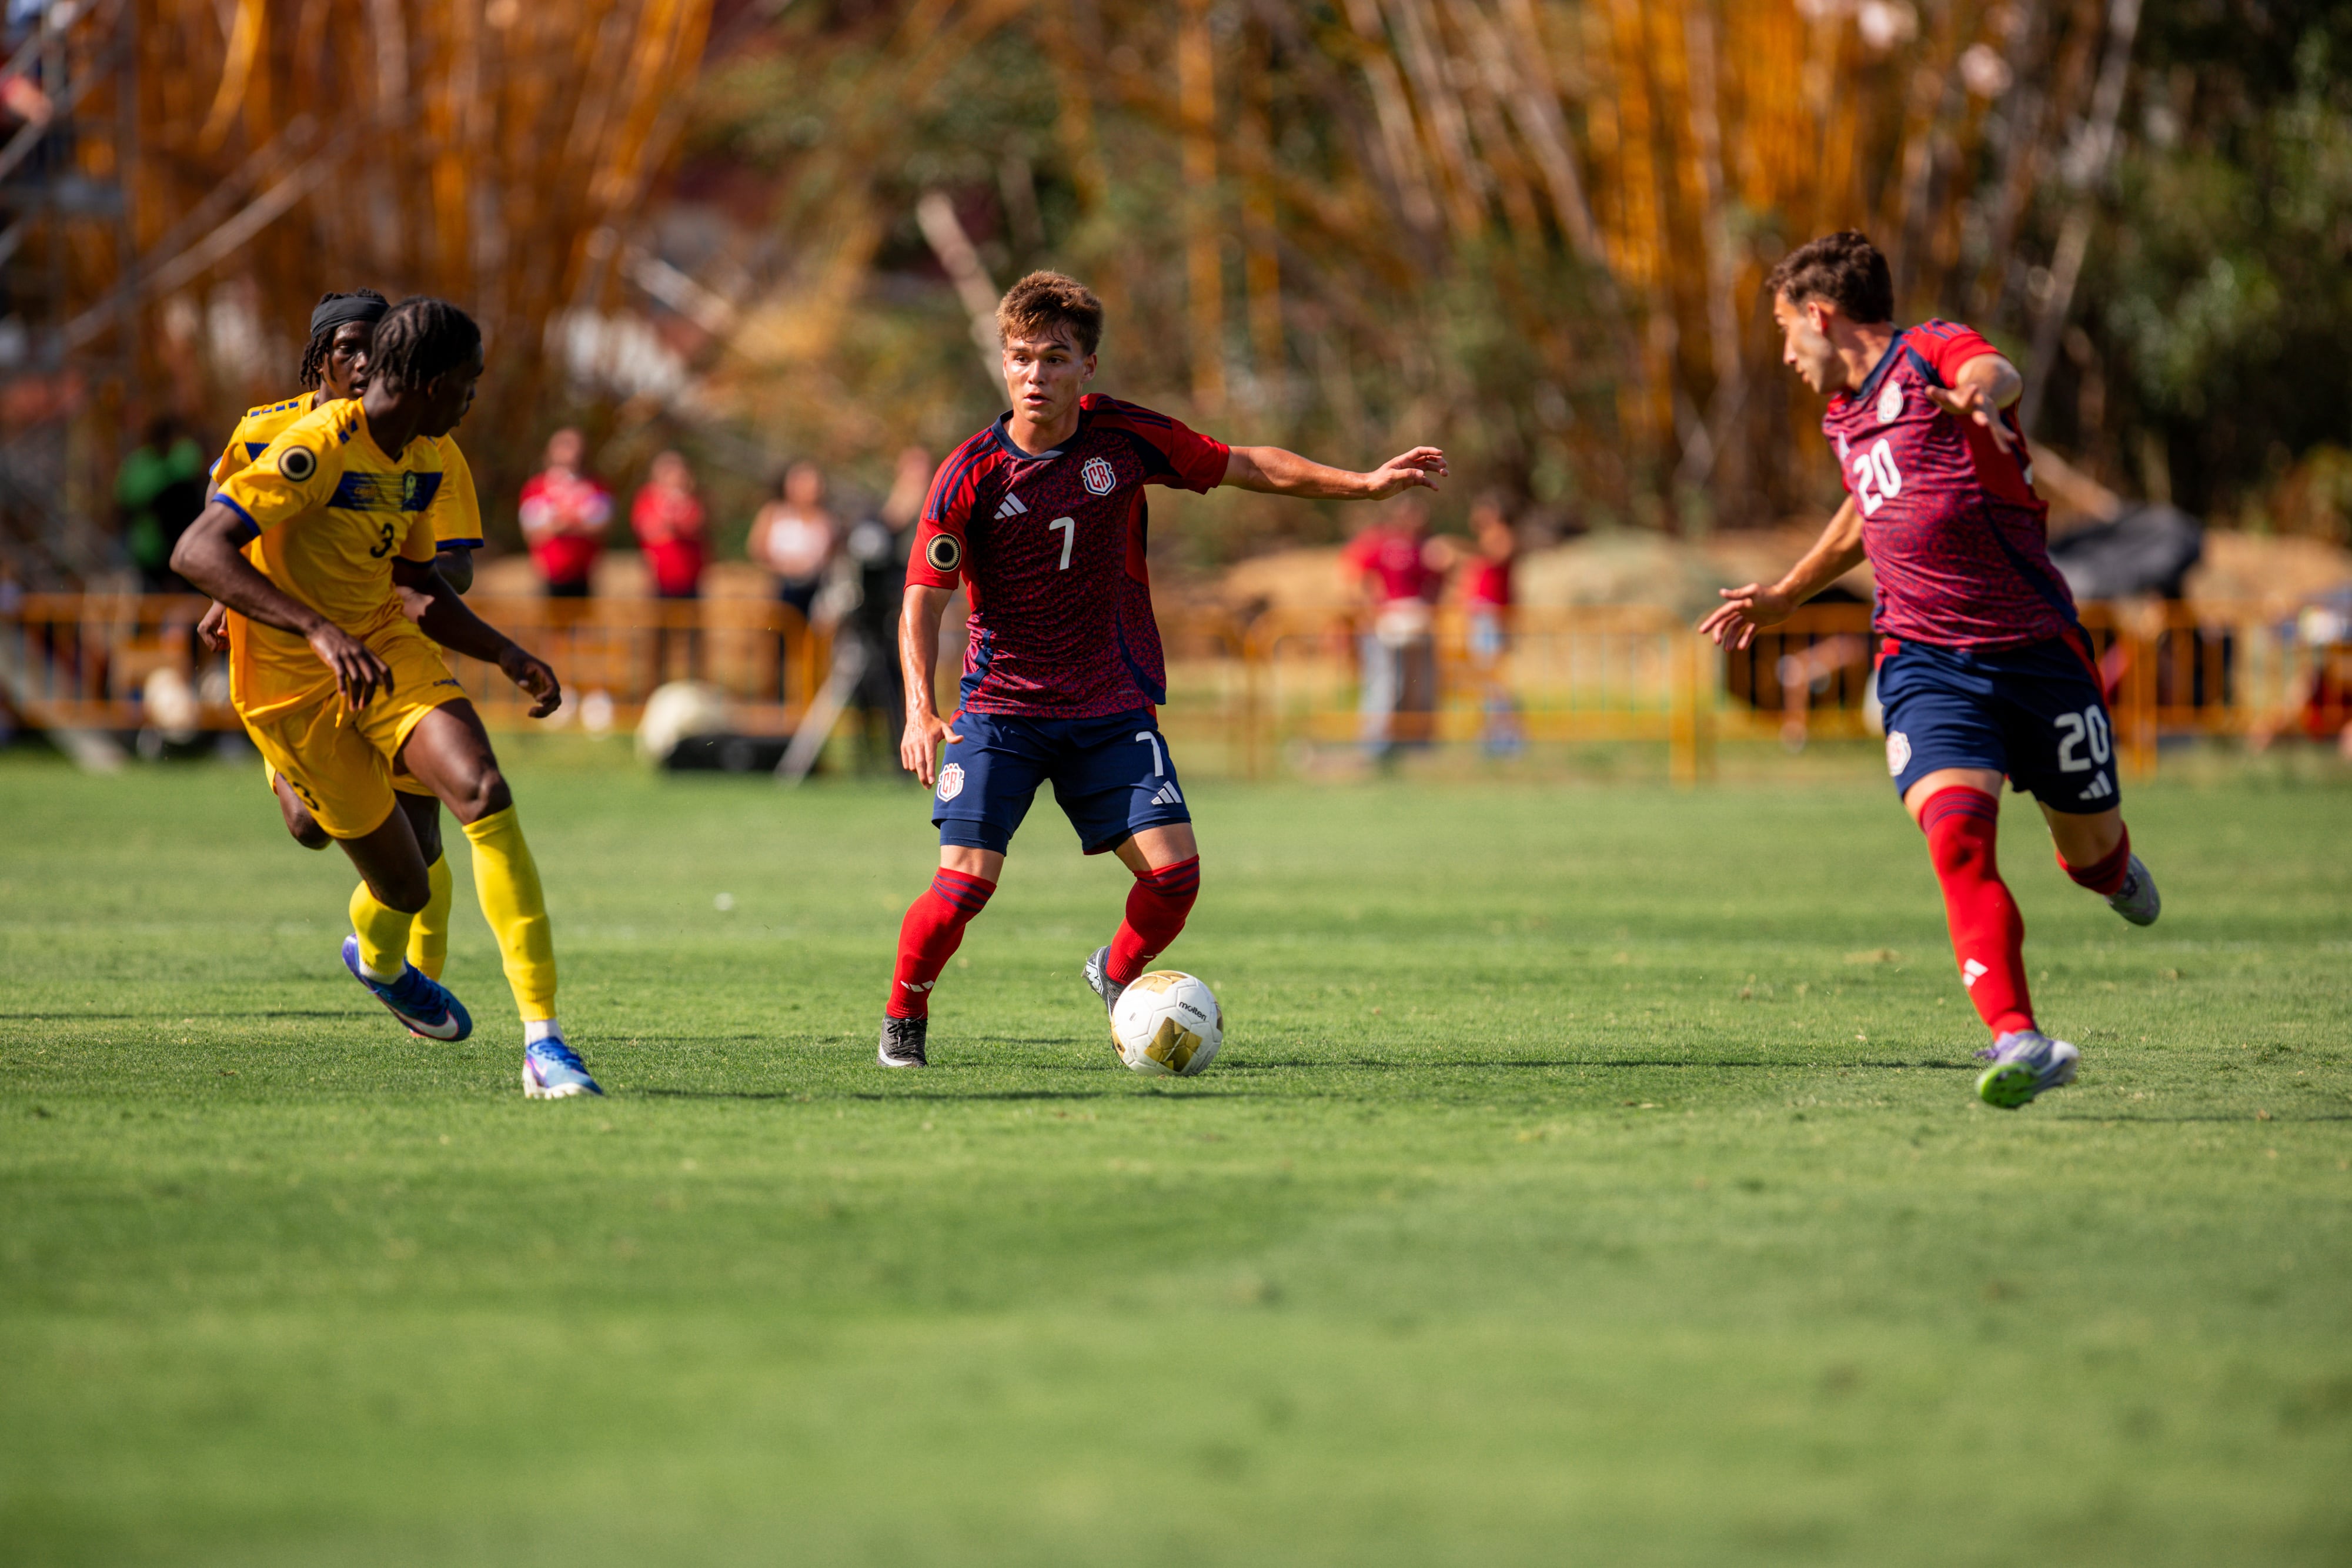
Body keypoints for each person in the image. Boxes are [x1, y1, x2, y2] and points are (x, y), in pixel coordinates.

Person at [881, 269, 1446, 1068]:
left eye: (1053, 357)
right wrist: (920, 707)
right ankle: (905, 1014)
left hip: (1108, 704)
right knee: (964, 887)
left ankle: (1114, 974)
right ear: (1003, 365)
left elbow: (1245, 463)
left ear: (1088, 367)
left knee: (1176, 878)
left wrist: (1361, 483)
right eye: (1020, 357)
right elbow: (922, 599)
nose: (1035, 374)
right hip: (1002, 709)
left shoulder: (1125, 437)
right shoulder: (969, 472)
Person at [1700, 230, 2160, 1110]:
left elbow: (1997, 369)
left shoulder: (1929, 352)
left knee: (2092, 851)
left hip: (2036, 652)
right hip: (1923, 662)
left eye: (1784, 331)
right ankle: (2020, 1037)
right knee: (1956, 839)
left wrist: (1978, 399)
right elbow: (1863, 508)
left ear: (1820, 315)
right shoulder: (1845, 416)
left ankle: (2111, 871)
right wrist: (1791, 594)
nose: (1787, 356)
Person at [171, 297, 601, 1099]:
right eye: (468, 383)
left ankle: (546, 1044)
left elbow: (416, 587)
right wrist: (316, 630)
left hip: (383, 650)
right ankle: (377, 959)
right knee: (404, 883)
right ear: (434, 382)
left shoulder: (425, 456)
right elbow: (197, 549)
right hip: (294, 682)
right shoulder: (312, 449)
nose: (473, 398)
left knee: (484, 792)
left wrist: (506, 653)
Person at [195, 287, 486, 988]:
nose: (361, 362)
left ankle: (415, 981)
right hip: (295, 660)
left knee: (425, 840)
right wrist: (224, 598)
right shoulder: (270, 433)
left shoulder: (428, 445)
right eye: (346, 348)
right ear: (318, 359)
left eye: (375, 347)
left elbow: (453, 565)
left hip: (388, 649)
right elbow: (220, 524)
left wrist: (377, 563)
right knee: (310, 829)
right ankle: (286, 766)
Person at [836, 446, 929, 774]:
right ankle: (869, 760)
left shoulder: (934, 521)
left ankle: (900, 760)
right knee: (868, 694)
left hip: (901, 625)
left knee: (900, 691)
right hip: (871, 626)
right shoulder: (875, 523)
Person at [1342, 495, 1448, 761]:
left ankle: (1418, 746)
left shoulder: (1427, 547)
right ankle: (1376, 746)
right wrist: (1369, 611)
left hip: (1419, 624)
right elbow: (1355, 575)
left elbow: (1438, 584)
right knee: (1388, 685)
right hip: (1390, 624)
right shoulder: (1381, 542)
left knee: (1421, 687)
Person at [749, 462, 837, 700]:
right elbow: (757, 548)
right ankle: (775, 699)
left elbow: (833, 556)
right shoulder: (774, 514)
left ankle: (813, 700)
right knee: (778, 648)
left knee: (815, 648)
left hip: (816, 589)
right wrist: (786, 566)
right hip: (784, 589)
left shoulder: (827, 519)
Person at [631, 449, 707, 682]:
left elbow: (694, 525)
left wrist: (672, 522)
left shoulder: (694, 500)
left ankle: (694, 687)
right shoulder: (647, 499)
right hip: (659, 582)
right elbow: (649, 529)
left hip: (690, 581)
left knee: (694, 644)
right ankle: (655, 688)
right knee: (657, 643)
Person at [1459, 492, 1522, 757]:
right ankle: (1493, 734)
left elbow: (1496, 555)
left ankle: (1506, 738)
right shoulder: (1486, 542)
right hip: (1481, 618)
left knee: (1492, 681)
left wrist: (1455, 548)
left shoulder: (1501, 537)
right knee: (1485, 681)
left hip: (1491, 619)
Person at [118, 416, 208, 591]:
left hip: (182, 538)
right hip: (152, 545)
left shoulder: (183, 458)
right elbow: (128, 503)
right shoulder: (142, 466)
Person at [518, 429, 611, 599]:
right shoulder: (536, 487)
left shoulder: (596, 487)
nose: (571, 451)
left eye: (575, 445)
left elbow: (602, 525)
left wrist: (567, 525)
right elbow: (530, 530)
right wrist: (558, 526)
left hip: (584, 575)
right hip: (548, 575)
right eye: (564, 444)